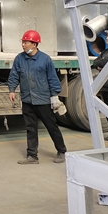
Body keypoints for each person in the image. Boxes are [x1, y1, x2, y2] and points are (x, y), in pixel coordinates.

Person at [8, 30, 67, 164]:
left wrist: (54, 96)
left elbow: (52, 78)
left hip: (43, 100)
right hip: (27, 99)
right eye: (23, 42)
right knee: (30, 129)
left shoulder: (45, 59)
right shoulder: (19, 59)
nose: (23, 45)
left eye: (26, 42)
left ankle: (62, 151)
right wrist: (11, 90)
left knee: (51, 126)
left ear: (34, 44)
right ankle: (32, 156)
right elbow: (14, 75)